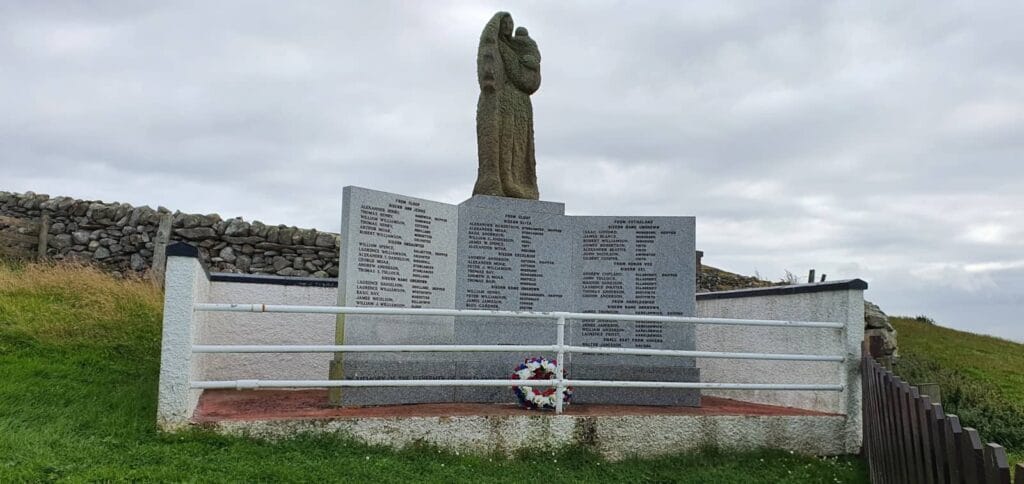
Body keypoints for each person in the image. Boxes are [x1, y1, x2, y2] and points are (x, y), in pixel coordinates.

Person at [473, 12, 541, 200]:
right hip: (502, 103)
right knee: (503, 143)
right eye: (505, 22)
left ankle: (520, 182)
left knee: (519, 146)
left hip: (520, 106)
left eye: (510, 22)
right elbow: (502, 72)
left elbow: (530, 80)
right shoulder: (499, 47)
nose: (509, 25)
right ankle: (505, 181)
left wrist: (532, 65)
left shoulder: (516, 48)